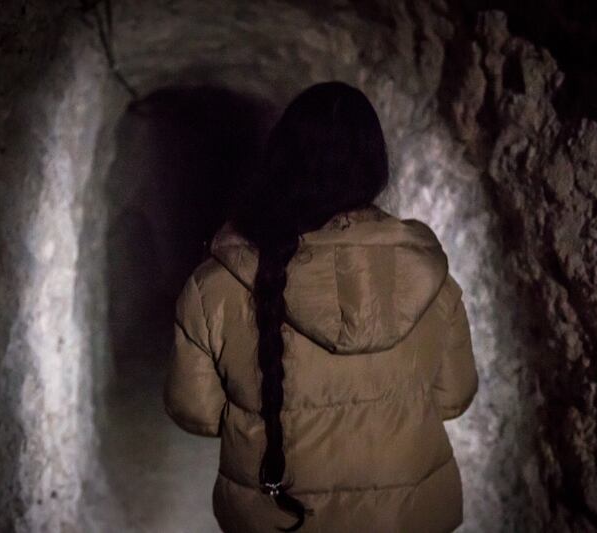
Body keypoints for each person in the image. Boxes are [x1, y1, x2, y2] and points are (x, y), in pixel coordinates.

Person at [163, 81, 478, 532]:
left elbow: (194, 408)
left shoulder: (217, 286)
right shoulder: (428, 279)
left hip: (280, 517)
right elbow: (454, 397)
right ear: (375, 169)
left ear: (278, 163)